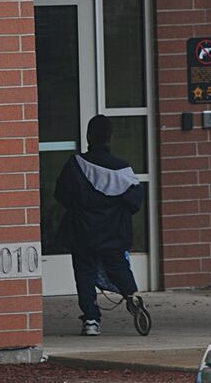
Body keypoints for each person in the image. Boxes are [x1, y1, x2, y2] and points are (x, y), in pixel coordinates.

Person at [54, 115, 146, 336]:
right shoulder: (122, 169)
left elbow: (62, 195)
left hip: (82, 232)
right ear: (110, 137)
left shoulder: (76, 165)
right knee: (118, 267)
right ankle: (131, 295)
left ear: (88, 136)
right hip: (114, 233)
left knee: (85, 275)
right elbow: (134, 202)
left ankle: (91, 320)